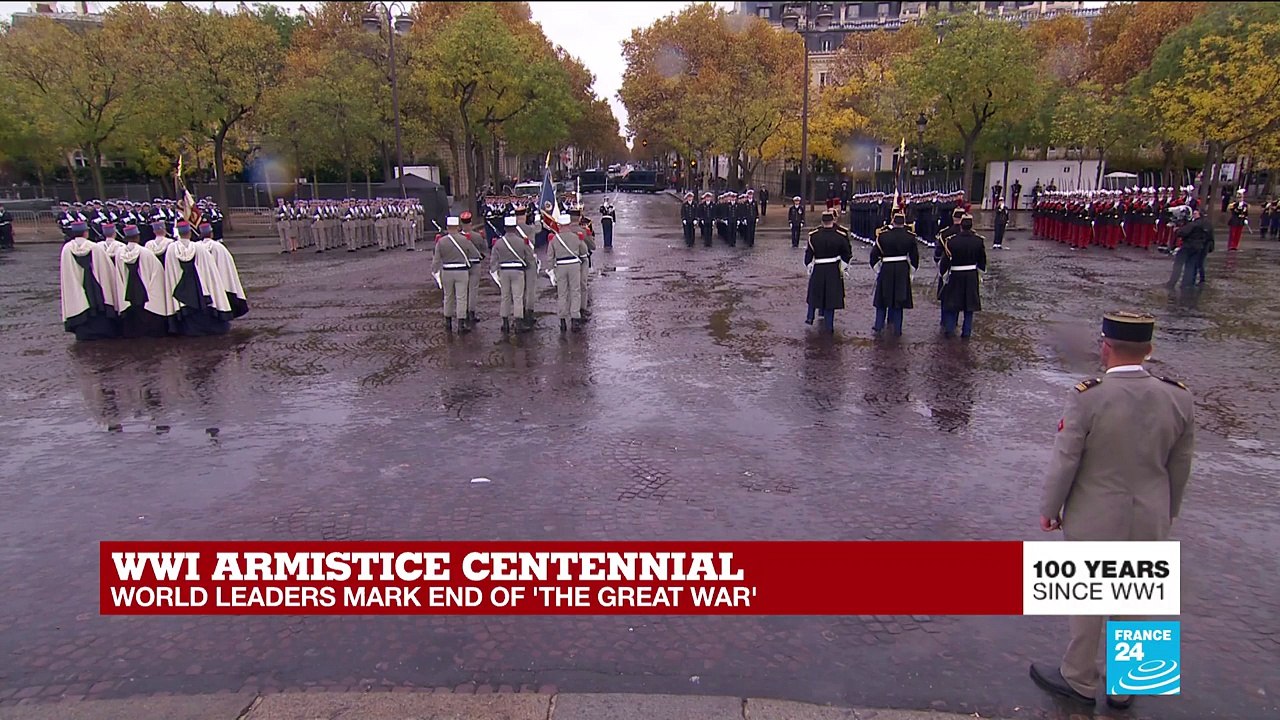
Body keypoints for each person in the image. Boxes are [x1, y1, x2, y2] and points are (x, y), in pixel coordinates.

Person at [1030, 311, 1194, 713]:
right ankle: (1129, 683)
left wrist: (1050, 508)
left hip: (1095, 513)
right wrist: (1167, 512)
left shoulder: (1088, 395)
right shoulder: (1179, 396)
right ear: (1150, 350)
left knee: (1088, 597)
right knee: (1136, 597)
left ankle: (1079, 677)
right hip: (1151, 514)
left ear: (1106, 347)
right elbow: (1180, 466)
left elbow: (1066, 459)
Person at [162, 221, 233, 337]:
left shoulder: (171, 249)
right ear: (190, 232)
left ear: (179, 233)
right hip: (200, 288)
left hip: (180, 290)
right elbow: (209, 270)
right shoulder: (200, 249)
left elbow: (170, 270)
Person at [60, 221, 123, 341]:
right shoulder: (94, 247)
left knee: (80, 301)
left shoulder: (67, 249)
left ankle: (83, 332)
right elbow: (106, 269)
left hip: (77, 285)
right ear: (85, 232)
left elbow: (67, 272)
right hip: (96, 286)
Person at [114, 224, 170, 338]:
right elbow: (157, 273)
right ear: (138, 236)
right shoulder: (146, 253)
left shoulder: (119, 254)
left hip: (128, 291)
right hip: (145, 293)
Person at [869, 212, 919, 336]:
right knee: (899, 300)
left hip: (886, 268)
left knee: (882, 300)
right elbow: (915, 257)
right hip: (902, 269)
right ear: (904, 222)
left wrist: (877, 269)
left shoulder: (882, 236)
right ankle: (898, 328)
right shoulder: (910, 237)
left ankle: (878, 325)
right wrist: (911, 272)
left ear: (892, 221)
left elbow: (873, 255)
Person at [803, 211, 853, 332]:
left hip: (819, 268)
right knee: (831, 297)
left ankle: (810, 317)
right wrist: (843, 266)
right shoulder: (840, 236)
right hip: (833, 269)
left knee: (816, 293)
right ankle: (829, 325)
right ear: (832, 221)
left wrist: (809, 264)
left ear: (822, 222)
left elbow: (809, 254)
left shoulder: (814, 236)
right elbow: (847, 253)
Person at [938, 215, 986, 339]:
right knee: (969, 307)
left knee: (953, 304)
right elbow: (982, 260)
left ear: (961, 226)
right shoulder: (978, 241)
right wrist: (980, 273)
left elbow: (946, 261)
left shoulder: (952, 241)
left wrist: (942, 273)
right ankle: (966, 332)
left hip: (956, 275)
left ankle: (949, 330)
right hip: (971, 275)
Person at [432, 216, 480, 333]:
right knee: (461, 297)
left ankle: (447, 322)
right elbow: (475, 254)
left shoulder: (441, 241)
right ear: (457, 227)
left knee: (448, 297)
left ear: (448, 227)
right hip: (461, 271)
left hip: (446, 271)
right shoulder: (464, 240)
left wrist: (435, 272)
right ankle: (460, 324)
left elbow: (436, 259)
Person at [490, 216, 535, 334]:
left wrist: (495, 272)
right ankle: (518, 323)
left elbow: (493, 260)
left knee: (505, 296)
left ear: (505, 228)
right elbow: (529, 257)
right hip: (518, 271)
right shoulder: (522, 242)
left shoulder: (499, 243)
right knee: (517, 297)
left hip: (504, 272)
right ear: (515, 228)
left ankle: (505, 323)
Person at [548, 215, 588, 333]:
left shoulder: (554, 239)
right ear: (569, 225)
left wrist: (551, 271)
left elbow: (550, 257)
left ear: (559, 226)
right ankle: (575, 318)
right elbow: (584, 251)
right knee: (575, 291)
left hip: (560, 266)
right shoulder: (576, 237)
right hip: (574, 266)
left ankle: (562, 320)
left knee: (562, 293)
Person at [1166, 208, 1212, 289]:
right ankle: (1187, 284)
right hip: (1198, 247)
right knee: (1190, 266)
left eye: (1195, 213)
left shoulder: (1194, 224)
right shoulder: (1207, 224)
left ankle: (1172, 283)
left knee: (1178, 264)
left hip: (1188, 246)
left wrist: (1176, 230)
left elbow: (1183, 232)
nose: (1194, 214)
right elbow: (1210, 236)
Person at [577, 217, 596, 320]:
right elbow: (593, 246)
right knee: (582, 285)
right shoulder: (583, 232)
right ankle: (581, 309)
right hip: (581, 260)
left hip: (566, 263)